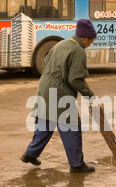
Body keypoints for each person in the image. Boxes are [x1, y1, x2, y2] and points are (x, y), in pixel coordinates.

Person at [21, 19, 97, 174]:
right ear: (85, 38)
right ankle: (77, 164)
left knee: (45, 122)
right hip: (60, 91)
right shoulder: (78, 51)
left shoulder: (60, 44)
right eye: (91, 41)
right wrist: (90, 95)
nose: (90, 44)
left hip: (44, 87)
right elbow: (75, 79)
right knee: (71, 126)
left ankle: (30, 154)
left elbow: (46, 61)